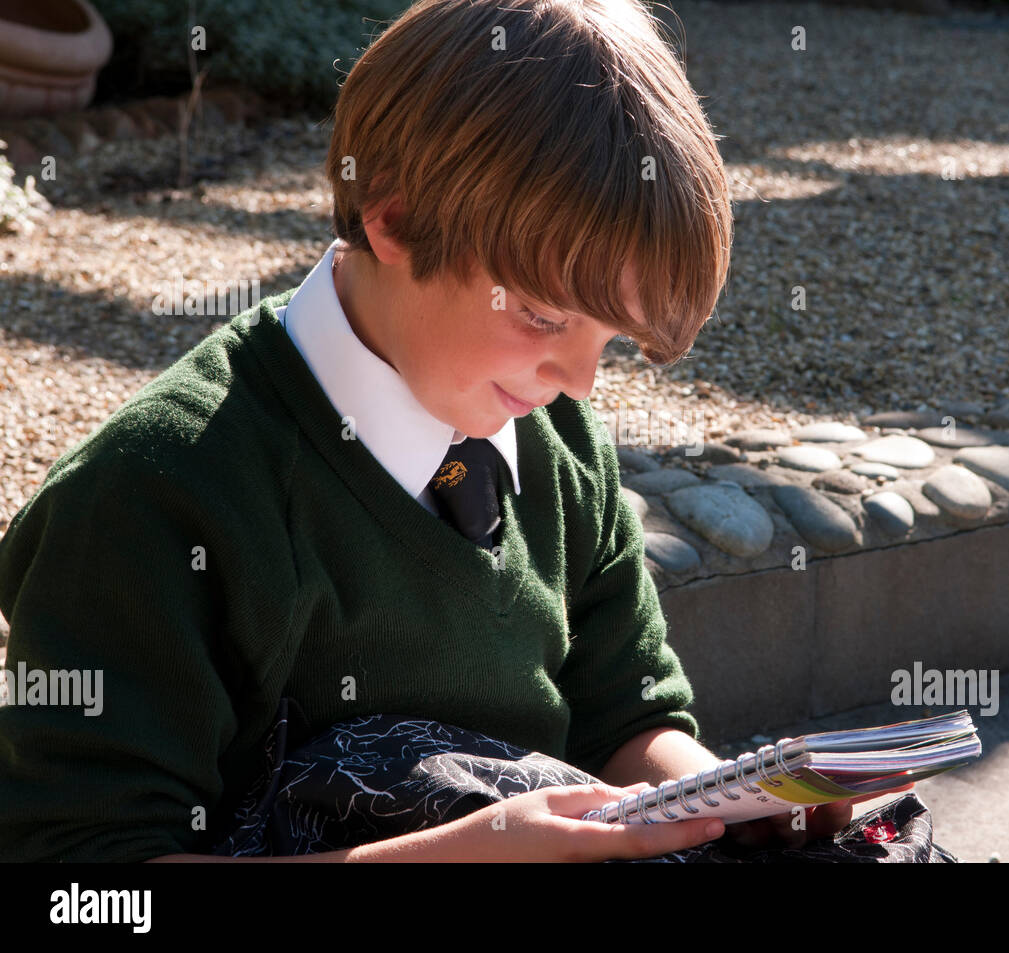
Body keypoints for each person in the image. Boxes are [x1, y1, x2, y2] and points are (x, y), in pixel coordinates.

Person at [0, 0, 910, 863]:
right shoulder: (152, 497)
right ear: (394, 219)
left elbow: (625, 721)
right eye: (549, 318)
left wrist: (724, 801)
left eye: (613, 340)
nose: (581, 383)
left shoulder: (557, 447)